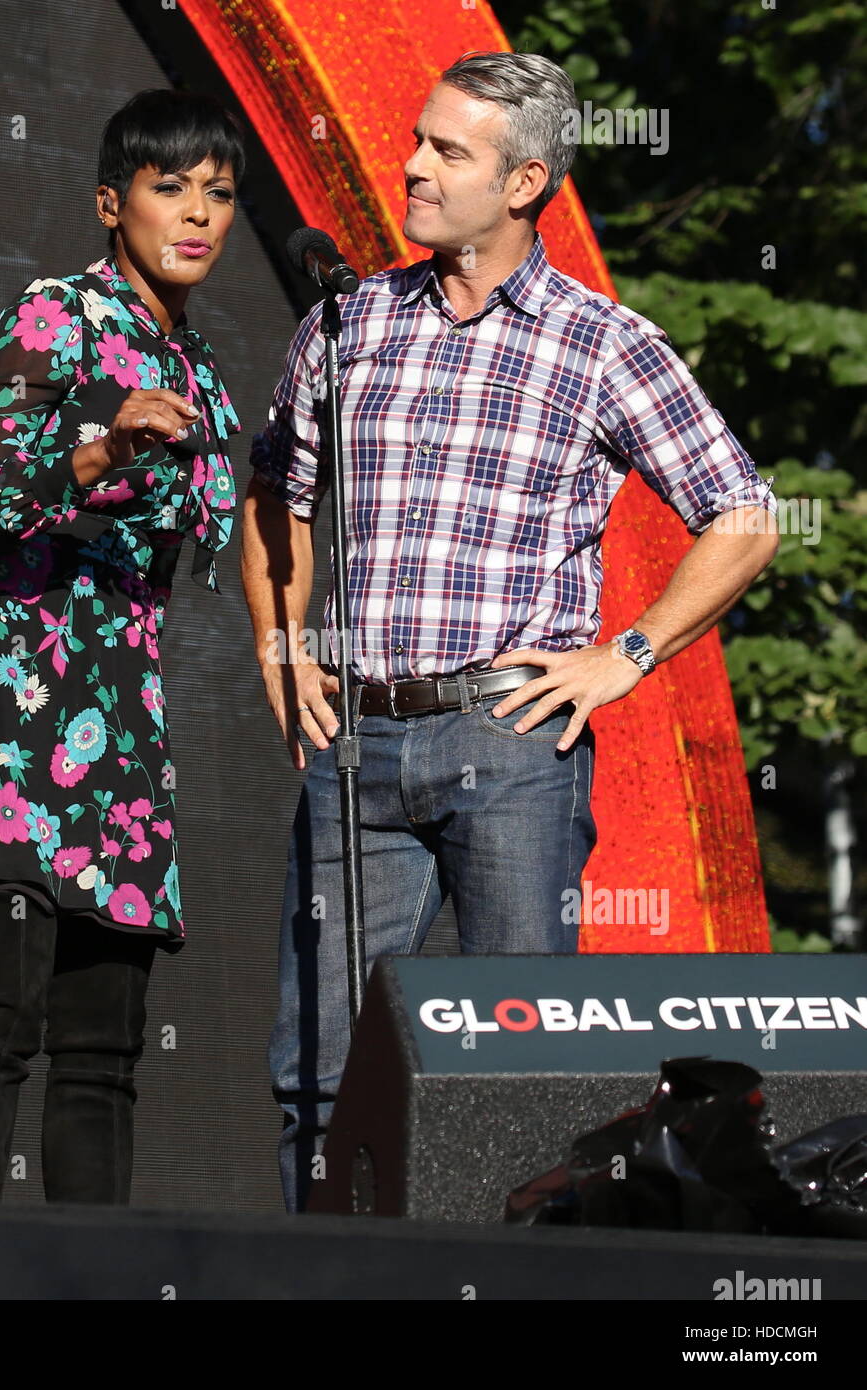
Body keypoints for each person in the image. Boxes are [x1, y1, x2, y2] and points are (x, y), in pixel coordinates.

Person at [241, 50, 780, 1213]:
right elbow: (272, 494)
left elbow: (744, 516)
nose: (411, 166)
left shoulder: (599, 341)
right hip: (355, 743)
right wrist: (280, 652)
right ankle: (327, 1289)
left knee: (517, 1076)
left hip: (508, 741)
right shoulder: (349, 322)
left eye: (448, 150)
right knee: (315, 1074)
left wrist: (623, 655)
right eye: (418, 138)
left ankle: (503, 1286)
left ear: (525, 180)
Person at [0, 88, 244, 1203]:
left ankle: (90, 1292)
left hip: (116, 723)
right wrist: (97, 451)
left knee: (103, 1045)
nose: (197, 213)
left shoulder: (207, 380)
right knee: (0, 1015)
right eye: (168, 186)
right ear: (111, 202)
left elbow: (226, 540)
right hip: (1, 698)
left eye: (219, 192)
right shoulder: (56, 318)